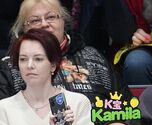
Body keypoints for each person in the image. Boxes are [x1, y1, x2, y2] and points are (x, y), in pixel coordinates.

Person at [0, 29, 96, 125]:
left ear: (53, 64)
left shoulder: (78, 102)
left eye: (38, 59)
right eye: (23, 59)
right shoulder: (4, 108)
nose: (29, 65)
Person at [0, 0, 129, 107]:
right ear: (24, 29)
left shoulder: (94, 56)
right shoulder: (9, 66)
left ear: (63, 21)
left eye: (51, 17)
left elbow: (127, 109)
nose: (44, 24)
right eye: (35, 21)